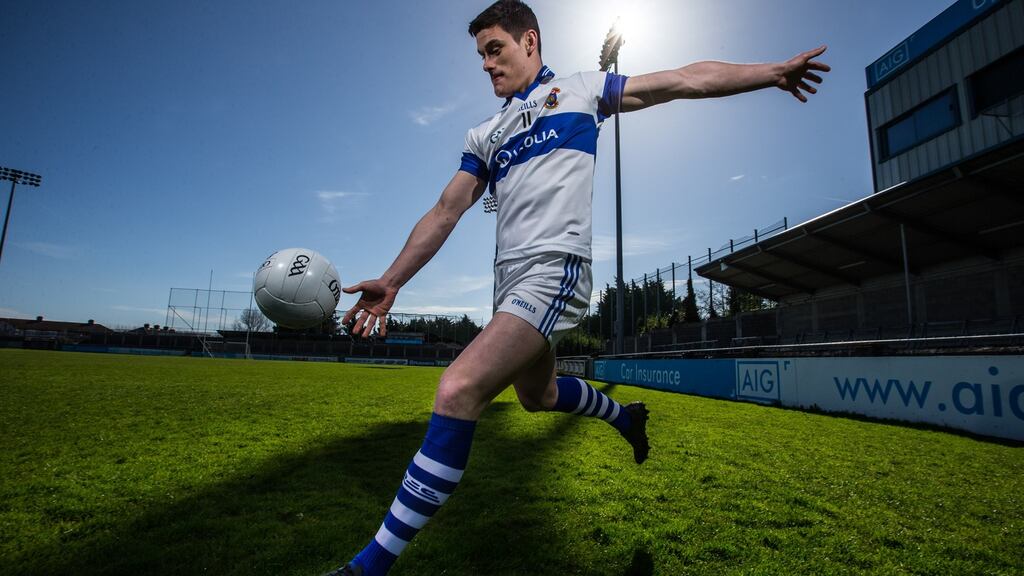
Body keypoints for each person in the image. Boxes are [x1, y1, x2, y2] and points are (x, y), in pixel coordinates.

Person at [326, 1, 829, 574]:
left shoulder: (584, 90)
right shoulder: (485, 134)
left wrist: (770, 73)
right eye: (480, 56)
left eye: (495, 50)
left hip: (553, 270)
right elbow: (446, 209)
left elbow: (684, 80)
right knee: (536, 397)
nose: (486, 65)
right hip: (510, 283)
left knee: (458, 388)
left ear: (530, 42)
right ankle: (624, 417)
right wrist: (392, 282)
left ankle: (366, 568)